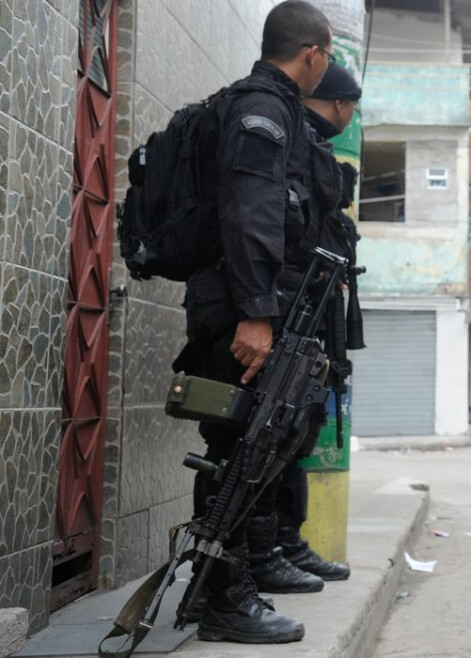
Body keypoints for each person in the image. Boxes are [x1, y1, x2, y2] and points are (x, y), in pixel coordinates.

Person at [173, 1, 336, 644]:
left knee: (249, 448)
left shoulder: (270, 106)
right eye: (326, 57)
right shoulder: (262, 109)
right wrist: (256, 314)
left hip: (246, 301)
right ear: (312, 53)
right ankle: (223, 599)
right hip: (240, 307)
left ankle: (224, 589)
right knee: (235, 451)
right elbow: (250, 212)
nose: (324, 66)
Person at [267, 61, 364, 588]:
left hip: (302, 313)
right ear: (341, 104)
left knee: (294, 437)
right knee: (268, 438)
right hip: (280, 313)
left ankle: (285, 544)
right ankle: (256, 560)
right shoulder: (291, 138)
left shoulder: (309, 145)